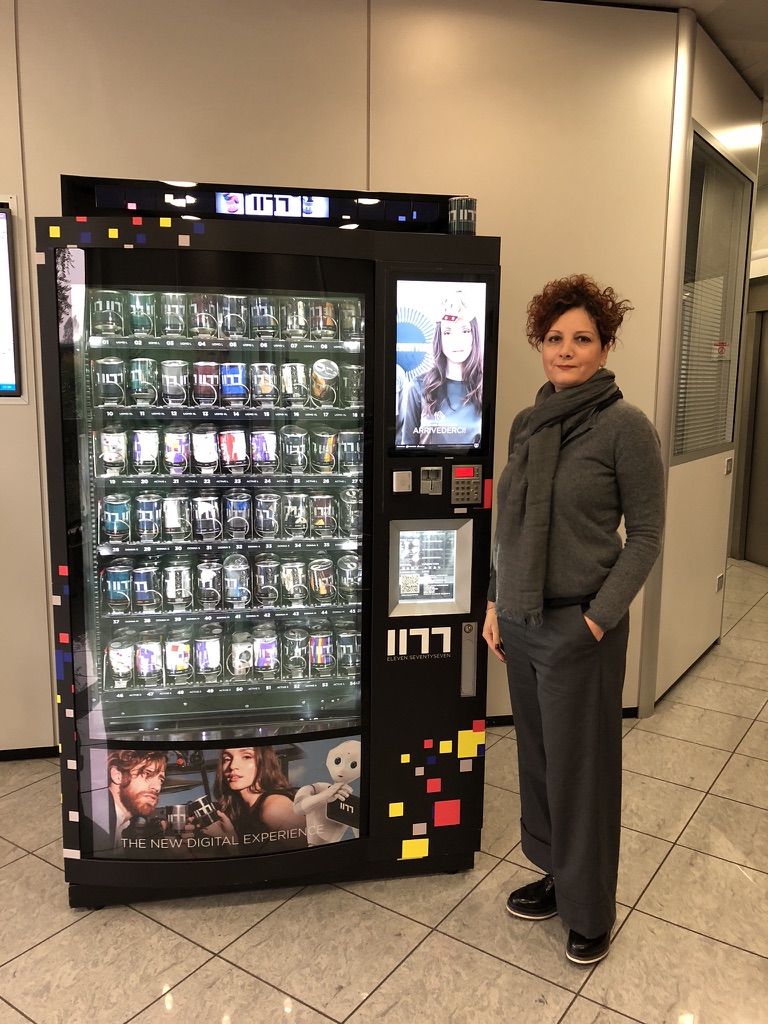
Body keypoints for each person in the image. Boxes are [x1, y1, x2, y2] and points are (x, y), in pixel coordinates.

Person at [482, 274, 665, 966]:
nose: (566, 350)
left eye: (582, 338)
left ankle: (591, 911)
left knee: (582, 773)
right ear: (540, 345)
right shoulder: (527, 423)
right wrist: (496, 602)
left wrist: (595, 621)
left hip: (578, 629)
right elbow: (510, 521)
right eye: (554, 338)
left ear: (606, 345)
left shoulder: (626, 428)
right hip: (523, 623)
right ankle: (557, 877)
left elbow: (645, 534)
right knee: (538, 762)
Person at [401, 291, 483, 446]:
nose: (457, 341)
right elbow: (407, 447)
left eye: (465, 331)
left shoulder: (485, 387)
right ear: (439, 337)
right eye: (448, 332)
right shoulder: (418, 386)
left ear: (474, 336)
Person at [194, 746, 307, 853]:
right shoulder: (240, 809)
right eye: (227, 759)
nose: (233, 766)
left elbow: (312, 856)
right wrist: (228, 838)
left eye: (246, 757)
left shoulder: (274, 807)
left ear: (264, 763)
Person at [97, 749, 167, 851]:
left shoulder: (125, 827)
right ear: (118, 776)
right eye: (147, 774)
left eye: (160, 779)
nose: (157, 787)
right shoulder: (95, 819)